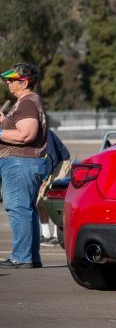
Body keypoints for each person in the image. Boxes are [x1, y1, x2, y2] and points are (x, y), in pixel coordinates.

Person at [0, 63, 49, 269]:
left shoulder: (27, 102)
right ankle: (29, 256)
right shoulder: (25, 102)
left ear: (25, 81)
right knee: (26, 209)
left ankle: (22, 257)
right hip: (23, 162)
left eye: (12, 79)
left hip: (20, 162)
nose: (8, 83)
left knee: (18, 208)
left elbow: (26, 134)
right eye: (8, 79)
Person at [37, 129, 70, 245]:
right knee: (40, 201)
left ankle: (57, 235)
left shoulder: (45, 133)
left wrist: (45, 177)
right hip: (45, 165)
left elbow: (53, 157)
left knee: (54, 200)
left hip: (59, 164)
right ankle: (45, 234)